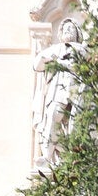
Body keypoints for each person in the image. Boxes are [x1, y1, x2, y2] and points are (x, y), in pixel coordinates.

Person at [32, 19, 83, 164]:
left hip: (76, 92)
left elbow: (81, 65)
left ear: (77, 33)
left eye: (71, 28)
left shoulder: (81, 49)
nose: (67, 30)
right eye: (65, 28)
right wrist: (46, 58)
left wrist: (60, 63)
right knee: (52, 117)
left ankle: (77, 156)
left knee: (76, 123)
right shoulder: (56, 49)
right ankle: (48, 156)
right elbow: (37, 65)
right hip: (58, 92)